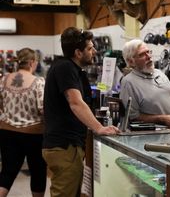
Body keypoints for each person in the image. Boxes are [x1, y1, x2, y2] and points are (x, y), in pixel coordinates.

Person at [42, 27, 119, 197]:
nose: (94, 51)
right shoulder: (65, 68)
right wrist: (99, 128)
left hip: (68, 145)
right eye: (90, 48)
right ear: (78, 52)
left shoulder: (72, 69)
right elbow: (75, 102)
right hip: (64, 146)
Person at [0, 48, 46, 197]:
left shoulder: (4, 79)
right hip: (33, 134)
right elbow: (43, 109)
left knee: (7, 172)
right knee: (38, 172)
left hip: (7, 132)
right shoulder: (38, 82)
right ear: (32, 62)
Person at [120, 39, 170, 133]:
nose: (148, 57)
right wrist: (163, 119)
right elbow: (133, 117)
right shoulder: (128, 82)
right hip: (154, 139)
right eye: (142, 54)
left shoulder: (160, 73)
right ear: (131, 61)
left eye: (148, 52)